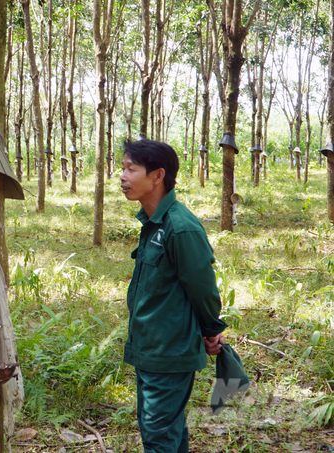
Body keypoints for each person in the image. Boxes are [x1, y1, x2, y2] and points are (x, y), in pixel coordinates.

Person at [119, 139, 227, 453]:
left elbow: (203, 288)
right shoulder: (154, 224)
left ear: (157, 176)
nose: (122, 176)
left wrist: (211, 330)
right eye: (122, 168)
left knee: (158, 437)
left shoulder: (180, 227)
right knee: (167, 432)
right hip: (151, 348)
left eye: (131, 169)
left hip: (169, 352)